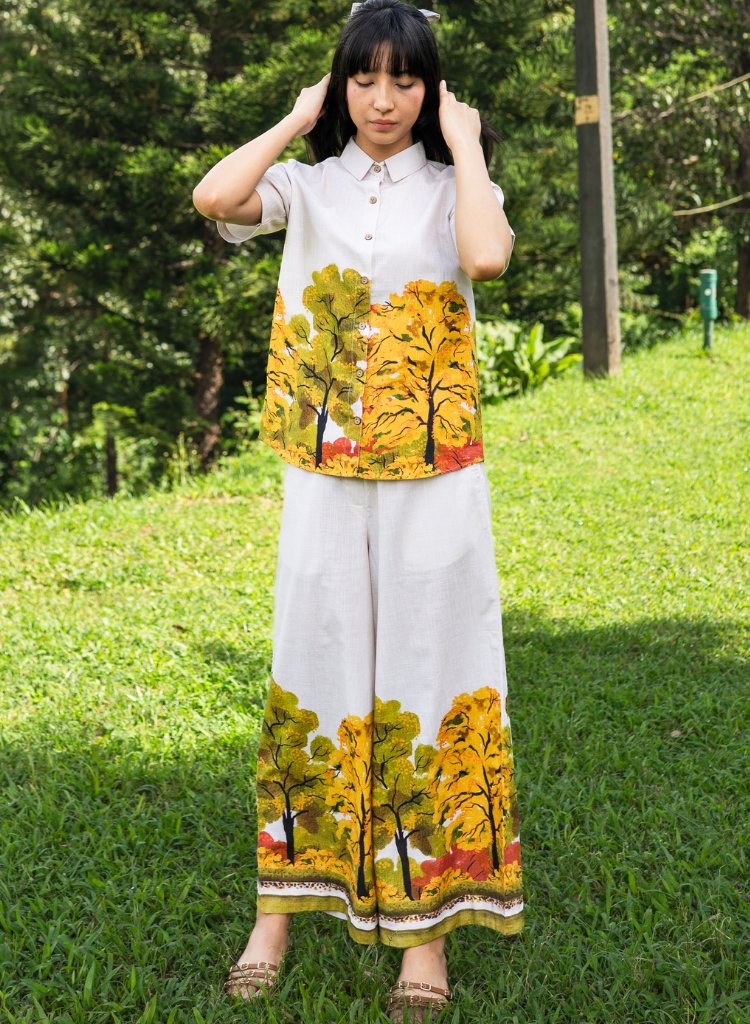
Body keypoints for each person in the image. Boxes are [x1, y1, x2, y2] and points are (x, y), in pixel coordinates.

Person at [193, 0, 522, 1018]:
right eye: (365, 78)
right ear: (341, 84)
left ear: (431, 89)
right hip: (324, 475)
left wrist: (465, 141)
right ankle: (277, 914)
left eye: (405, 80)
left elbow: (485, 258)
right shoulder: (308, 185)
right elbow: (215, 196)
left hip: (436, 479)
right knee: (313, 668)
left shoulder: (457, 187)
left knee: (435, 674)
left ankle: (426, 939)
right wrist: (298, 119)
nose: (384, 99)